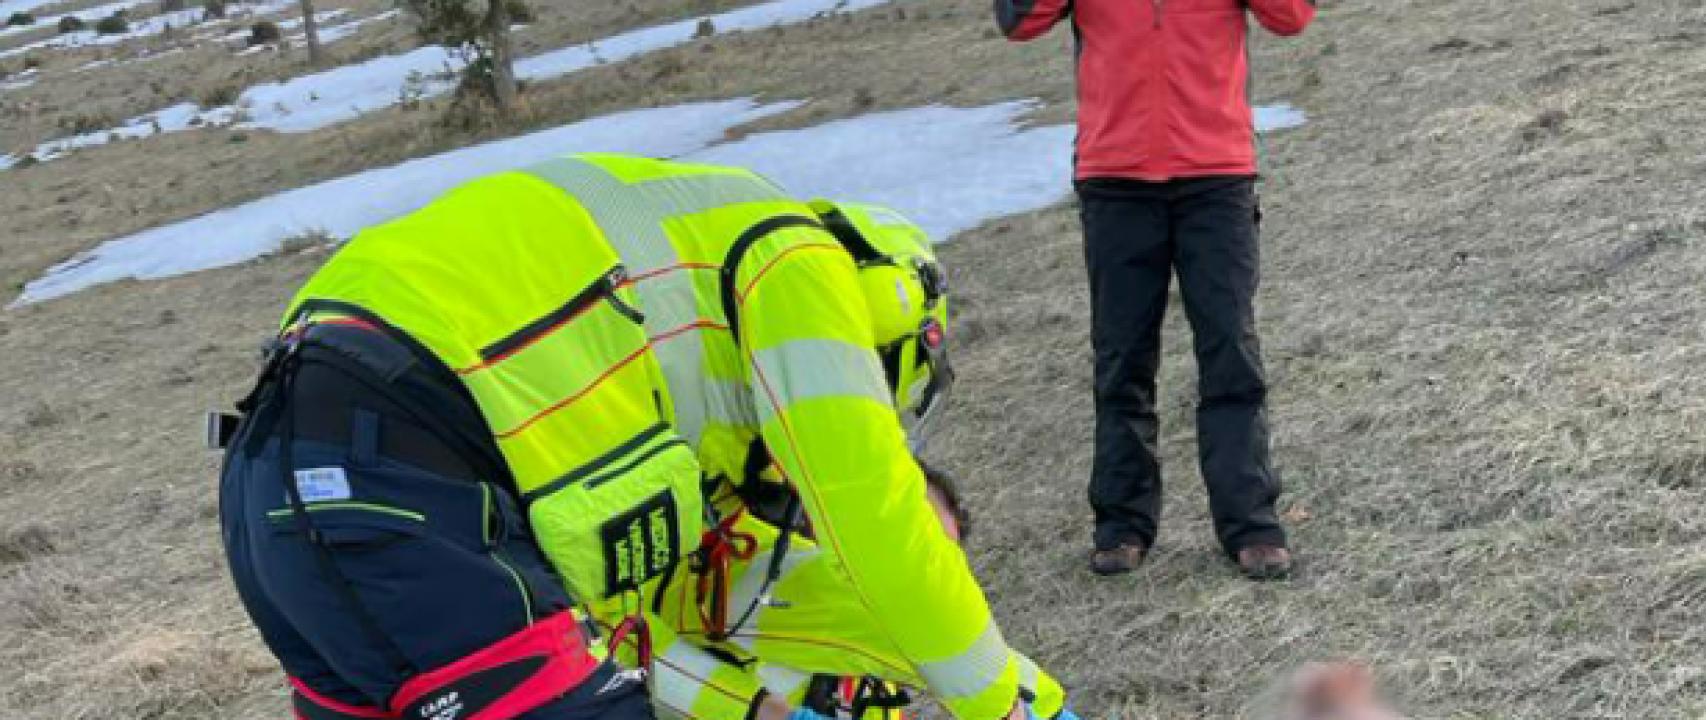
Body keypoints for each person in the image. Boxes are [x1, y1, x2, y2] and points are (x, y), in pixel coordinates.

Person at [215, 155, 1077, 720]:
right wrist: (1010, 703)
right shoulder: (796, 260)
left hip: (274, 480)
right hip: (408, 468)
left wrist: (760, 710)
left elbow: (617, 639)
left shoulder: (641, 360)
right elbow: (878, 520)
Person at [993, 0, 1317, 579]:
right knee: (1121, 359)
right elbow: (1018, 21)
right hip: (1115, 180)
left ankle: (1251, 525)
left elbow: (1291, 16)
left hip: (1216, 177)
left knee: (1230, 353)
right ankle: (1121, 525)